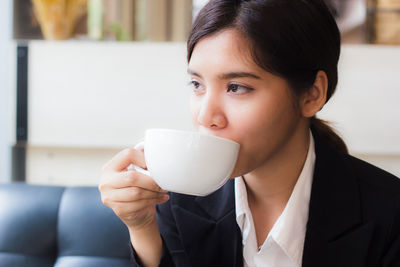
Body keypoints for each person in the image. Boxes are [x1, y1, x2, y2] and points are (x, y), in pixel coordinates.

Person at [99, 0, 400, 266]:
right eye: (197, 85)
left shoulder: (388, 216)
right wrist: (141, 228)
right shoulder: (176, 203)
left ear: (312, 94)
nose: (206, 116)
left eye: (237, 87)